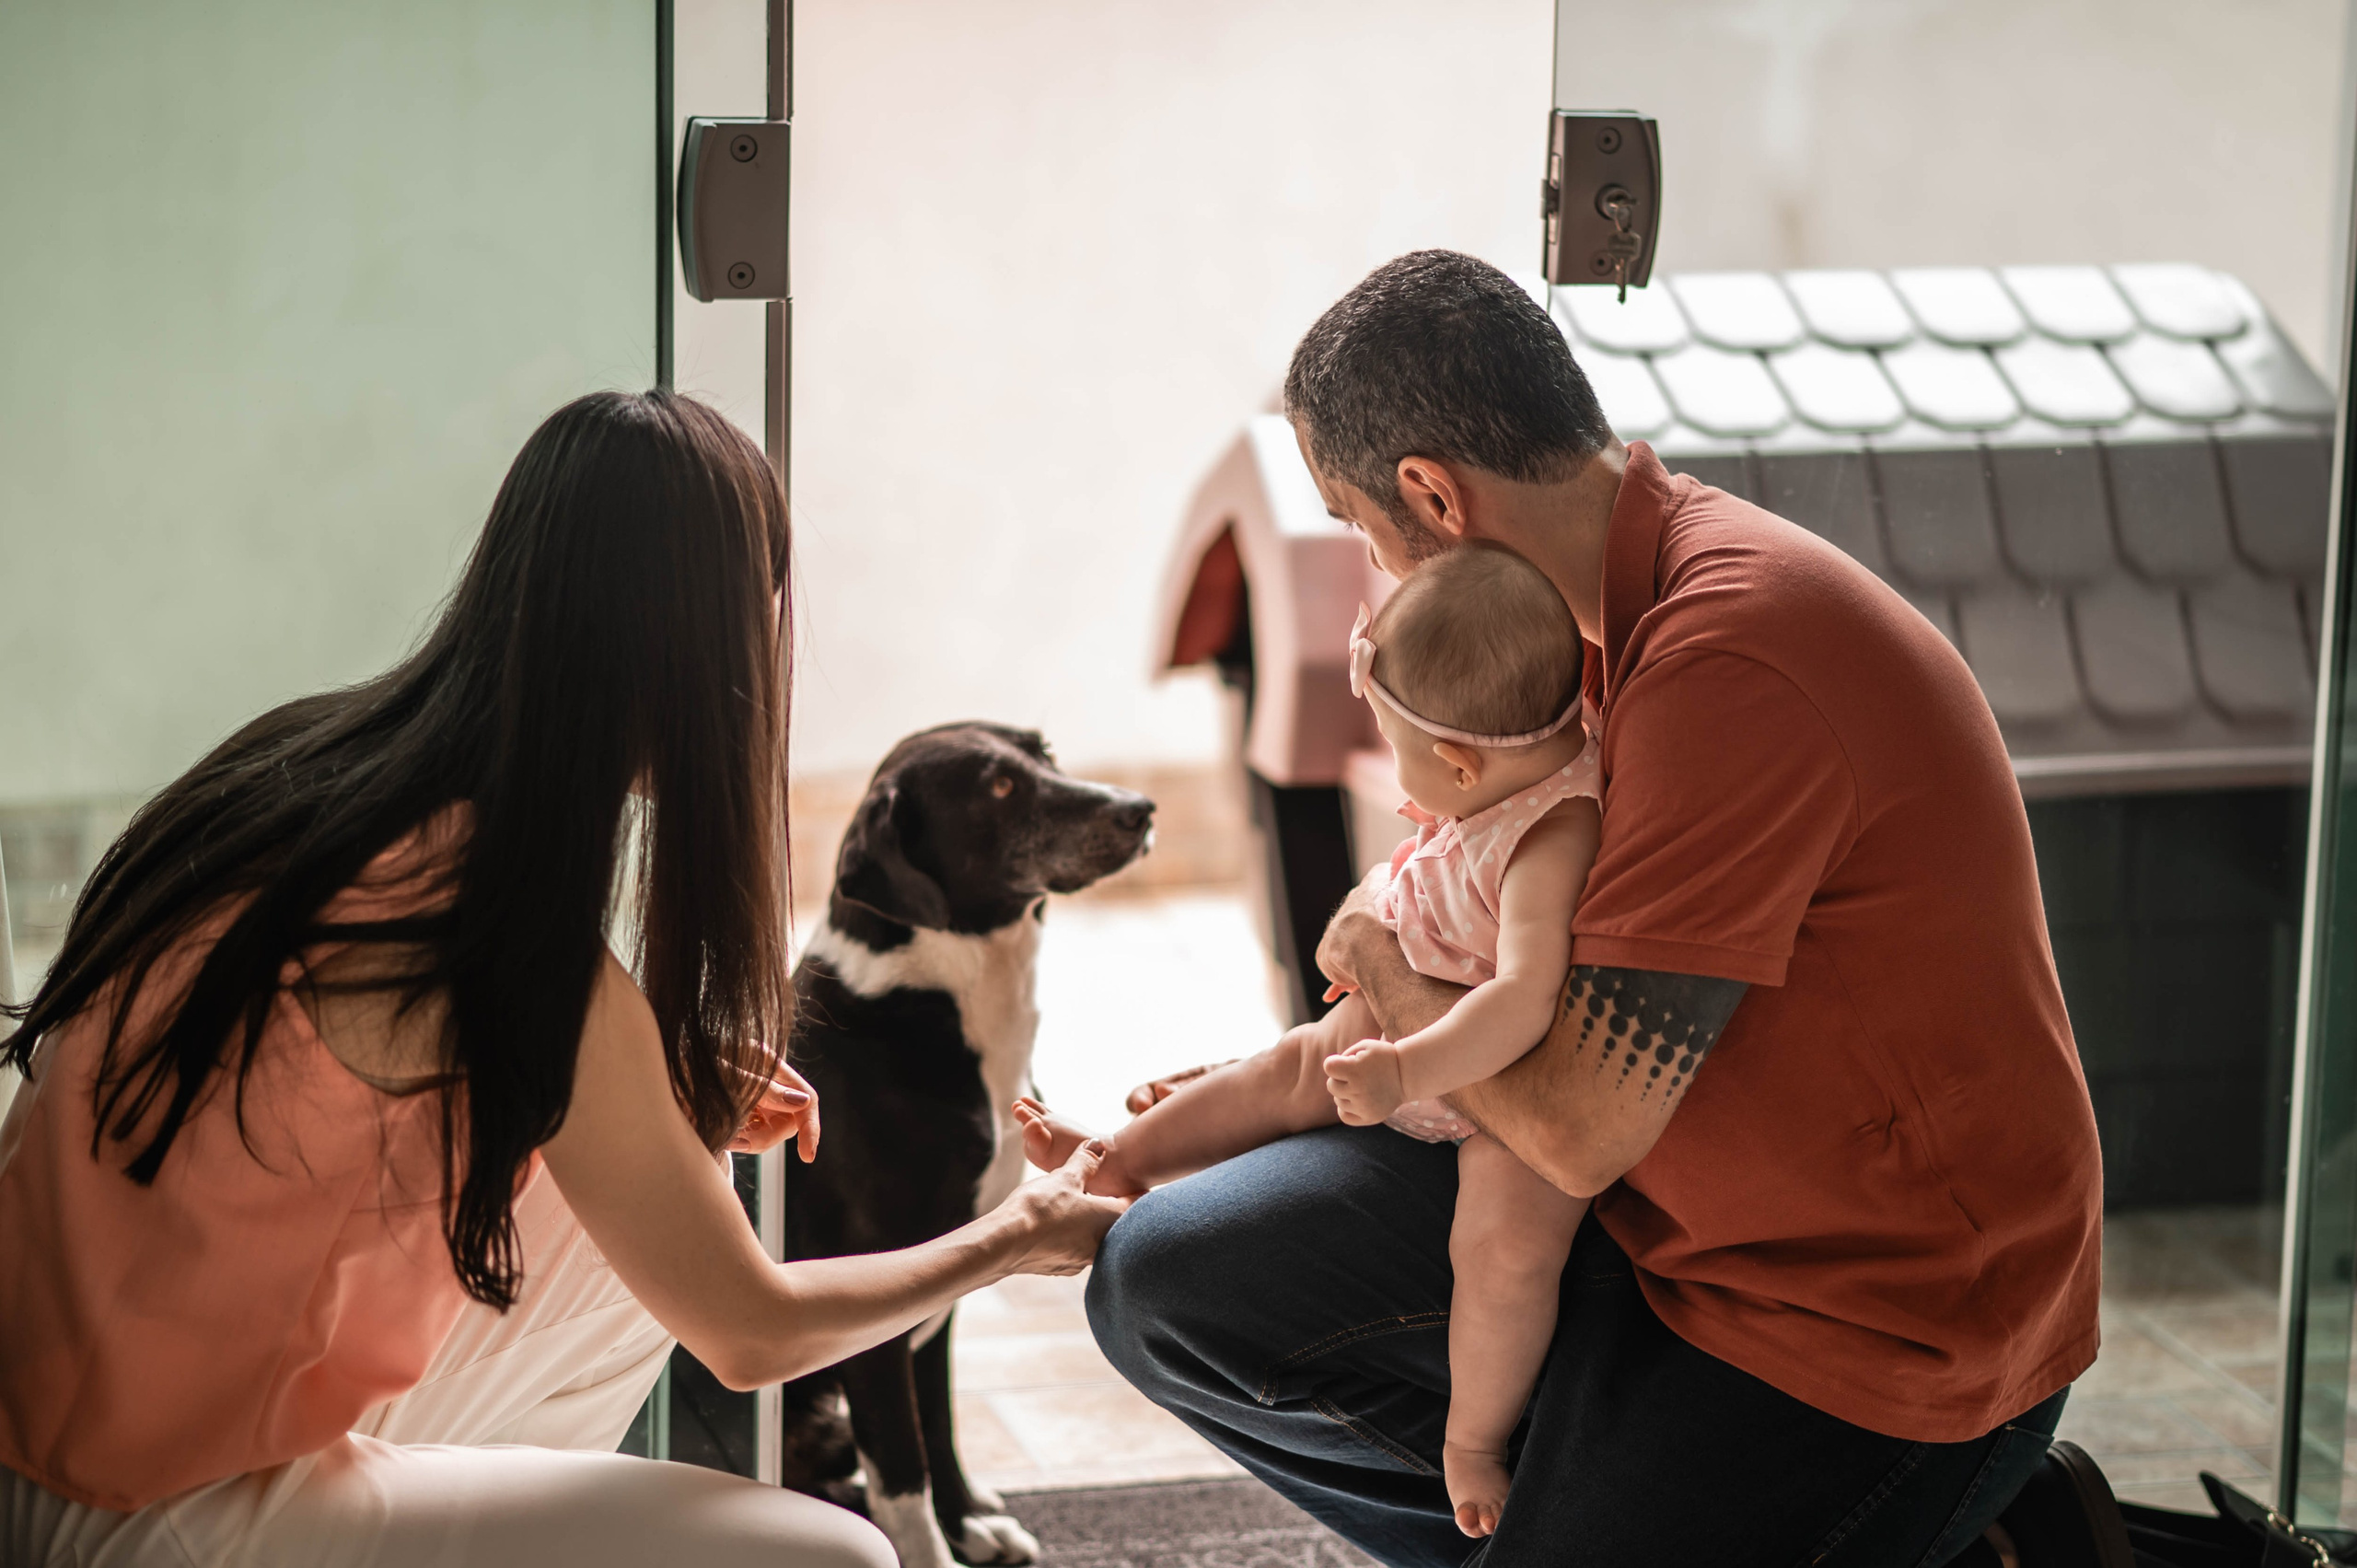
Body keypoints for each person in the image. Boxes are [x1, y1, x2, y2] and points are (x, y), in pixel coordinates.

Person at [1086, 251, 2103, 1567]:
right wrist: (1280, 1074)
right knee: (1170, 1276)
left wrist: (1386, 987)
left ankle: (1965, 1539)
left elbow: (1566, 1123)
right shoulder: (1589, 634)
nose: (1372, 570)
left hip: (1880, 1333)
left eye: (1358, 527)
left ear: (1432, 497)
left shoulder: (1727, 655)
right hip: (1670, 1222)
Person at [0, 391, 1130, 1568]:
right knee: (834, 1558)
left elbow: (328, 1085)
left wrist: (648, 1083)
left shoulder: (318, 764)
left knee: (660, 1203)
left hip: (38, 1435)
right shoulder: (510, 931)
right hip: (152, 1512)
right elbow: (749, 1334)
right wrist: (1018, 1230)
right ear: (703, 646)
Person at [1017, 542, 1601, 1538]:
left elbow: (1523, 1000)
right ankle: (1114, 1160)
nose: (1406, 784)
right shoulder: (1499, 768)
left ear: (1462, 761)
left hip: (1498, 1087)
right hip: (1408, 998)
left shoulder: (1553, 836)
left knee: (1503, 1248)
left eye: (1399, 750)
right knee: (1283, 1065)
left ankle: (1469, 1439)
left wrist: (1410, 1066)